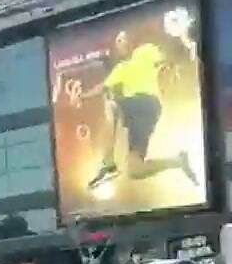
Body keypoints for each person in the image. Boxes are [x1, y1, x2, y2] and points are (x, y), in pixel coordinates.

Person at [83, 29, 198, 191]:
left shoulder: (145, 51)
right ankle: (177, 161)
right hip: (137, 115)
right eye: (119, 41)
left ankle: (108, 163)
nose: (122, 43)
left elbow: (165, 57)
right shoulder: (120, 69)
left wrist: (173, 66)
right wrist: (82, 96)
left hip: (147, 102)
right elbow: (101, 87)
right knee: (135, 170)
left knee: (112, 105)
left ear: (131, 41)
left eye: (124, 39)